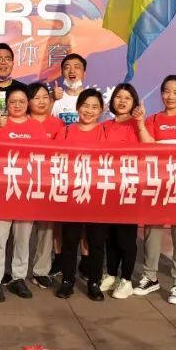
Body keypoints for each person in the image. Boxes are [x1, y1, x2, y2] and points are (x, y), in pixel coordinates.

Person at [136, 75, 176, 305]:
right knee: (152, 232)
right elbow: (148, 146)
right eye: (166, 91)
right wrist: (140, 123)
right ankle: (150, 276)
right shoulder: (153, 119)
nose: (170, 96)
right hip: (158, 184)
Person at [0, 86, 47, 302]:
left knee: (23, 239)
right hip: (2, 191)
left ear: (27, 104)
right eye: (12, 102)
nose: (17, 105)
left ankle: (18, 278)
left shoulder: (36, 126)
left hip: (26, 192)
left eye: (21, 102)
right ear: (6, 104)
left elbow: (46, 156)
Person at [99, 83, 154, 298]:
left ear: (134, 102)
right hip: (109, 187)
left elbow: (150, 148)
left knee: (126, 237)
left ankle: (126, 280)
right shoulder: (105, 126)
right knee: (110, 236)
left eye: (127, 98)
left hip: (130, 187)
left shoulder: (139, 124)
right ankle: (112, 274)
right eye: (118, 97)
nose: (122, 101)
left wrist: (140, 124)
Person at [54, 89, 109, 301]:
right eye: (85, 106)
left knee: (96, 242)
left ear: (101, 111)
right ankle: (67, 281)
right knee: (70, 240)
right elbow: (55, 159)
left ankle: (94, 282)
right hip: (72, 194)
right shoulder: (66, 132)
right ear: (78, 108)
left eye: (95, 107)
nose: (89, 111)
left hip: (97, 195)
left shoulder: (105, 132)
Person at [29, 82, 66, 289]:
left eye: (45, 97)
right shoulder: (20, 121)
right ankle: (12, 271)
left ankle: (41, 270)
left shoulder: (58, 124)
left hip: (47, 182)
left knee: (46, 229)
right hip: (22, 182)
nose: (42, 101)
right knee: (18, 230)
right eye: (36, 98)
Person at [50, 53, 88, 125]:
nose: (72, 71)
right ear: (62, 73)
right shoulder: (54, 99)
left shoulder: (93, 99)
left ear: (84, 73)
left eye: (77, 67)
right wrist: (52, 99)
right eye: (67, 68)